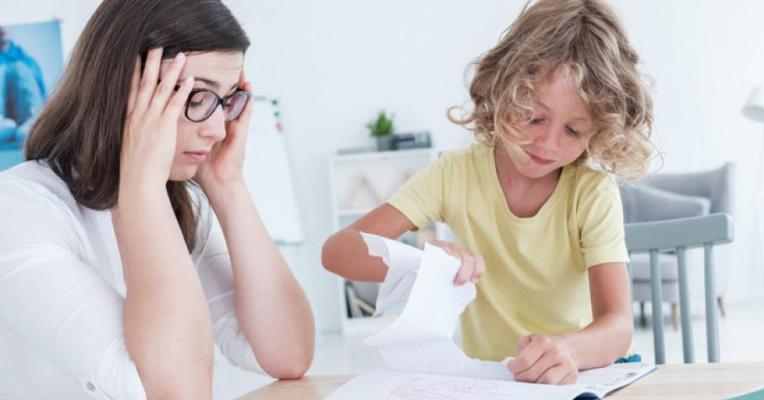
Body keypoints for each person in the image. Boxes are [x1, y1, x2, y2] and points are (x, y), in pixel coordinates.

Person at [322, 0, 653, 385]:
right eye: (534, 116)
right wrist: (420, 264)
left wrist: (569, 349)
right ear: (504, 91)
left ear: (598, 131)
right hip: (487, 382)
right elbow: (338, 251)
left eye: (573, 131)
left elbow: (617, 325)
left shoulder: (592, 192)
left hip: (573, 381)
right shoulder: (455, 174)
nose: (547, 142)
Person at [0, 1, 314, 399]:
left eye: (228, 99)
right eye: (197, 96)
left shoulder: (178, 206)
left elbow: (287, 354)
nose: (218, 129)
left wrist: (228, 185)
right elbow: (176, 392)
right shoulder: (16, 209)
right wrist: (142, 187)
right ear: (122, 90)